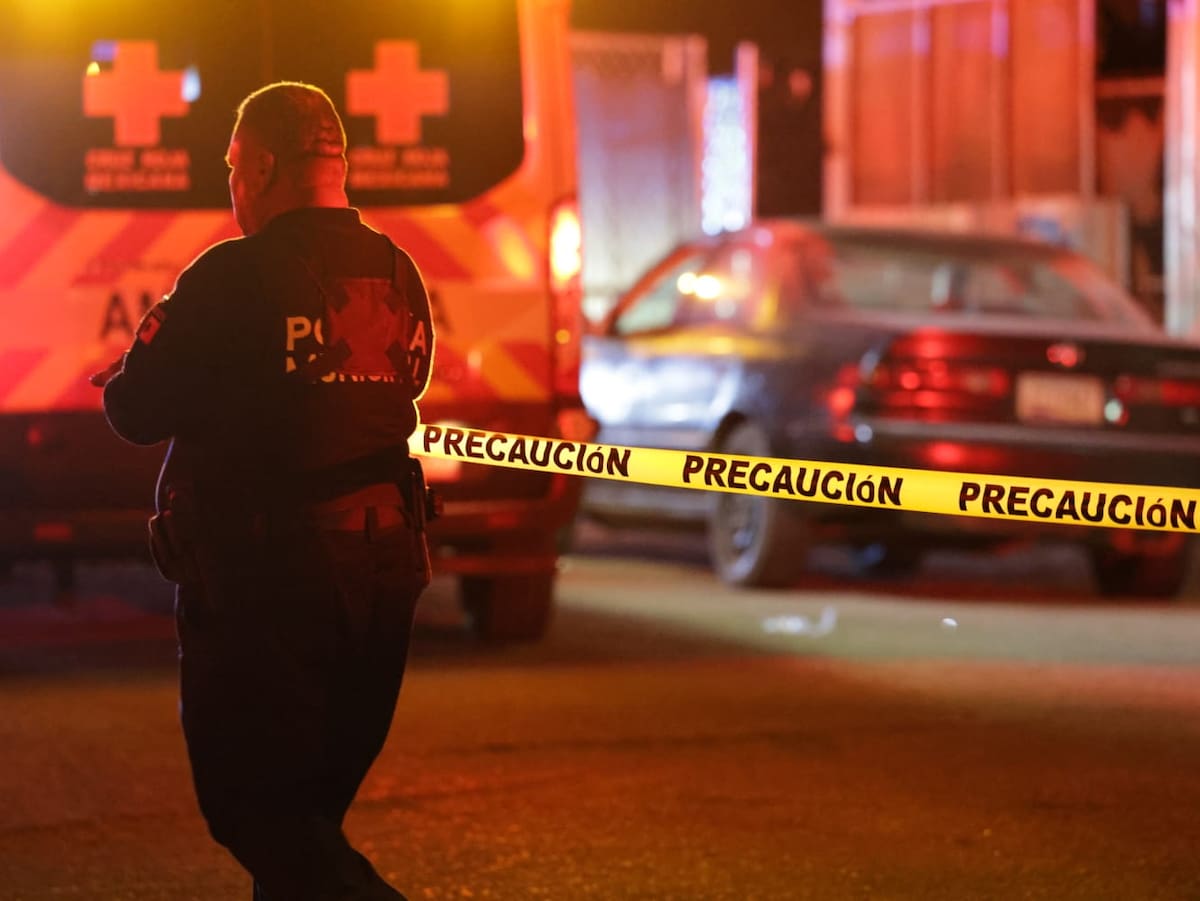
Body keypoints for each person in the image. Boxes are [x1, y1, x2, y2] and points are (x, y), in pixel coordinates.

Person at [98, 81, 435, 900]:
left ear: (265, 167)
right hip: (387, 570)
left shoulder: (230, 278)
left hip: (269, 580)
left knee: (254, 809)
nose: (232, 185)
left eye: (233, 167)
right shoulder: (398, 272)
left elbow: (134, 409)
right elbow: (406, 381)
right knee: (307, 816)